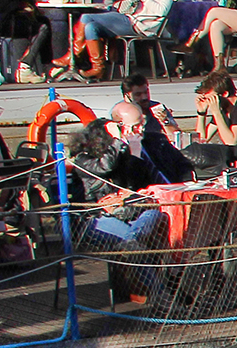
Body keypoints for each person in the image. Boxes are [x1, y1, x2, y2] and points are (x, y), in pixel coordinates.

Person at [59, 117, 169, 308]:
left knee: (156, 215)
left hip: (128, 214)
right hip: (96, 218)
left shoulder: (119, 153)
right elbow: (105, 167)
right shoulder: (83, 159)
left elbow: (137, 181)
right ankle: (162, 296)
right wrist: (117, 139)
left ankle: (134, 242)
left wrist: (134, 152)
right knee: (133, 245)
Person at [78, 0, 179, 78]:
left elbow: (161, 11)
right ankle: (98, 68)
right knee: (91, 27)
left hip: (140, 25)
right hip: (131, 20)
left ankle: (73, 56)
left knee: (86, 17)